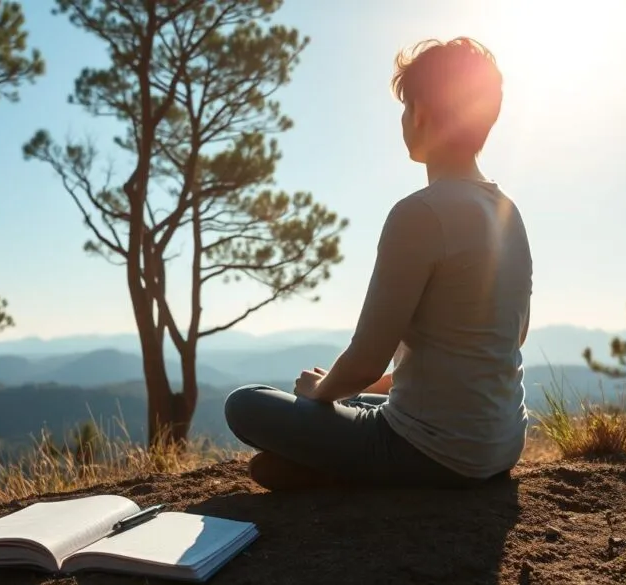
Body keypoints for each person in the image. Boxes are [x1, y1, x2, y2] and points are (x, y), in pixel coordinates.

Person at [223, 37, 532, 491]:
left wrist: (318, 392)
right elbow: (502, 340)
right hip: (501, 444)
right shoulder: (508, 212)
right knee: (362, 401)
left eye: (406, 108)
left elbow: (367, 359)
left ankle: (339, 472)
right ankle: (323, 468)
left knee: (245, 404)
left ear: (421, 113)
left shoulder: (420, 213)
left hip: (431, 453)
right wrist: (353, 390)